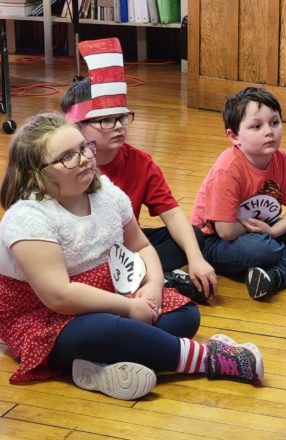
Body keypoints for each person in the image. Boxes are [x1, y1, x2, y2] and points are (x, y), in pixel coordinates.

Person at [0, 111, 263, 401]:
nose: (85, 158)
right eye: (67, 157)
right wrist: (126, 309)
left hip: (110, 295)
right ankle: (210, 359)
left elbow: (142, 246)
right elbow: (59, 296)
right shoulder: (28, 217)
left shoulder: (106, 195)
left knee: (185, 314)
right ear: (35, 174)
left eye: (84, 148)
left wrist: (153, 286)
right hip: (47, 316)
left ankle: (98, 369)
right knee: (103, 330)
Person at [60, 37, 217, 303]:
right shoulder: (66, 166)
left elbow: (172, 213)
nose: (120, 125)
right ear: (77, 126)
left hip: (127, 248)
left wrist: (196, 259)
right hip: (81, 256)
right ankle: (159, 281)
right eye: (106, 120)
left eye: (123, 117)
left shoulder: (139, 161)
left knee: (193, 238)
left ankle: (149, 280)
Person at [191, 87, 286, 299]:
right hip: (217, 240)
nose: (269, 131)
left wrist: (273, 232)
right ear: (234, 136)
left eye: (274, 122)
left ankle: (277, 275)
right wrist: (267, 236)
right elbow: (226, 230)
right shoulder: (227, 169)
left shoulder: (283, 159)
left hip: (266, 227)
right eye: (257, 126)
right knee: (262, 250)